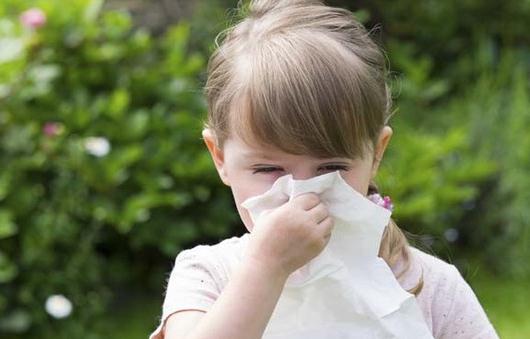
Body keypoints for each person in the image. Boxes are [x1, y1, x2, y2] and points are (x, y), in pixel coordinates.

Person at [150, 1, 498, 338]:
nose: (302, 192)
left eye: (332, 166)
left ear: (376, 154)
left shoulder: (430, 287)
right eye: (269, 168)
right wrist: (265, 267)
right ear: (220, 158)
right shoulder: (207, 276)